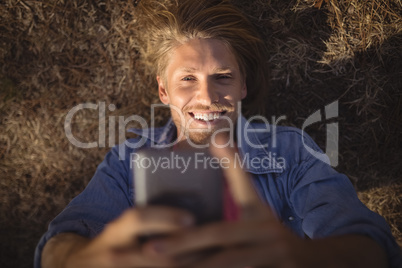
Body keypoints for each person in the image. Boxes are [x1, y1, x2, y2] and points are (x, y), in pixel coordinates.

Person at [35, 0, 401, 267]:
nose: (207, 97)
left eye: (223, 77)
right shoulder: (127, 161)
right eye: (188, 79)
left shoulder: (289, 150)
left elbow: (371, 245)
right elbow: (61, 240)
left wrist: (305, 256)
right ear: (163, 91)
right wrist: (79, 259)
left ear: (243, 86)